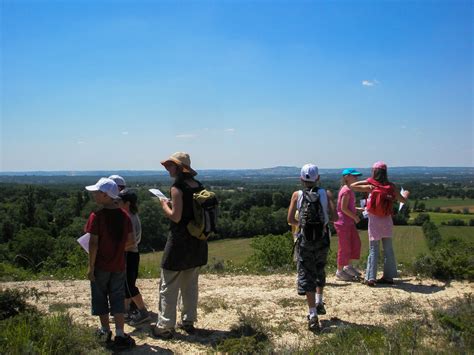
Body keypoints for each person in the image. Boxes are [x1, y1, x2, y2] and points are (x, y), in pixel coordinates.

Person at [152, 152, 208, 339]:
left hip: (179, 242)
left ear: (179, 167)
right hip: (197, 241)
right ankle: (188, 321)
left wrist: (163, 205)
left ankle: (165, 326)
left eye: (170, 165)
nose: (167, 168)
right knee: (190, 285)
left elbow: (176, 216)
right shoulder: (198, 186)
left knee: (168, 284)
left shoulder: (177, 188)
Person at [84, 177, 136, 349]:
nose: (93, 194)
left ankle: (105, 331)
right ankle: (120, 334)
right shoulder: (125, 216)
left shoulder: (96, 216)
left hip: (100, 266)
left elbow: (93, 243)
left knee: (100, 298)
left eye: (97, 192)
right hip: (119, 265)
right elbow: (131, 242)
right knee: (117, 298)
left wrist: (91, 267)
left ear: (106, 195)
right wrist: (117, 249)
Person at [287, 164, 335, 332]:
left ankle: (312, 314)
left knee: (307, 273)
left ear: (301, 179)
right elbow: (334, 216)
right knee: (320, 268)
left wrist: (302, 224)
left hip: (305, 240)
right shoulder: (326, 193)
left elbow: (290, 219)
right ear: (318, 178)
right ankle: (320, 301)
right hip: (322, 239)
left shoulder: (296, 195)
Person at [351, 161, 410, 287]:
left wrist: (368, 181)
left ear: (374, 172)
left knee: (374, 249)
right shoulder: (391, 187)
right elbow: (403, 200)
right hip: (387, 221)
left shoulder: (372, 186)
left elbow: (353, 185)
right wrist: (406, 194)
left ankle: (371, 277)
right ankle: (388, 276)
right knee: (388, 249)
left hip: (374, 221)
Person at [118, 188, 150, 326]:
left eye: (119, 200)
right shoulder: (131, 215)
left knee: (129, 286)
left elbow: (131, 242)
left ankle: (143, 312)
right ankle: (124, 311)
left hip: (129, 254)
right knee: (126, 285)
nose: (116, 202)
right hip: (131, 254)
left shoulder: (129, 218)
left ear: (127, 203)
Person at [334, 168, 363, 281]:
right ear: (347, 177)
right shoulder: (346, 191)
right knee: (345, 247)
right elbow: (343, 208)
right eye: (354, 176)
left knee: (354, 243)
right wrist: (355, 216)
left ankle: (348, 266)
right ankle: (340, 271)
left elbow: (346, 207)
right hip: (343, 223)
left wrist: (357, 209)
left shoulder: (348, 189)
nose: (356, 178)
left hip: (348, 222)